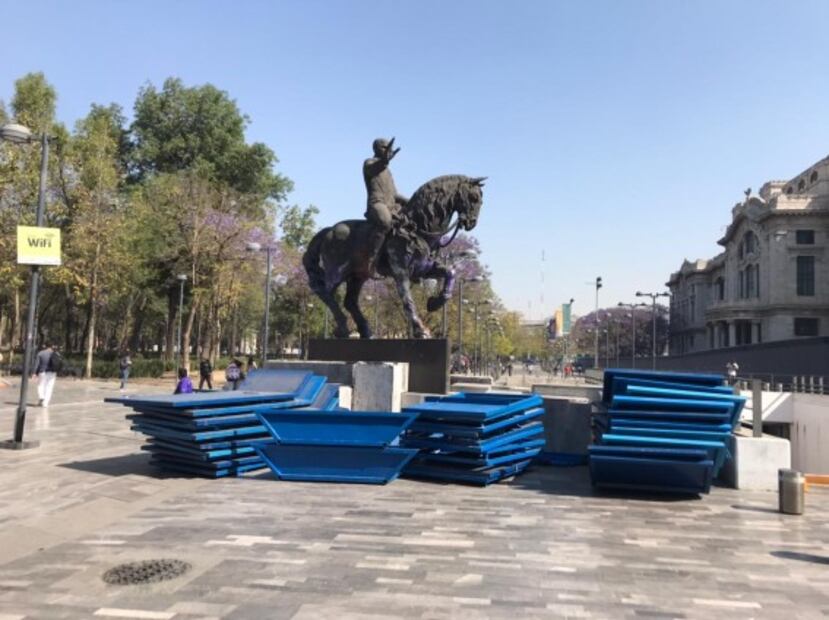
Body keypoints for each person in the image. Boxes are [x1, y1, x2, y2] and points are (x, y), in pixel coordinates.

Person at [363, 137, 408, 273]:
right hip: (377, 204)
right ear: (376, 148)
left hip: (392, 205)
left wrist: (412, 200)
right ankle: (371, 259)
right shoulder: (369, 163)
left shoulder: (388, 172)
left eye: (390, 148)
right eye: (385, 148)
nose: (388, 151)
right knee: (385, 222)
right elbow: (375, 169)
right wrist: (385, 161)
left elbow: (395, 194)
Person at [34, 342, 62, 407]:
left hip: (42, 372)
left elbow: (37, 364)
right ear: (52, 346)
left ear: (45, 346)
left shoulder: (41, 353)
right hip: (52, 373)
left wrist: (34, 373)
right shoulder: (56, 354)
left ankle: (41, 397)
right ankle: (45, 403)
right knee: (49, 387)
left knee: (40, 385)